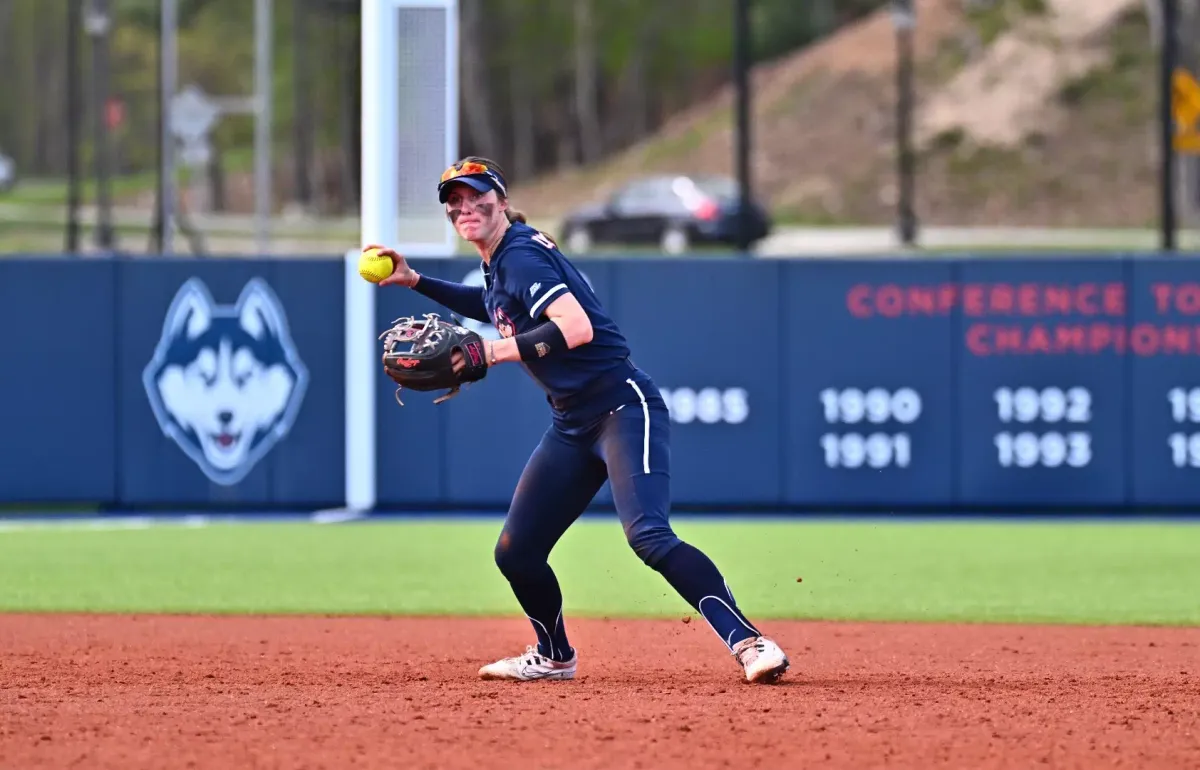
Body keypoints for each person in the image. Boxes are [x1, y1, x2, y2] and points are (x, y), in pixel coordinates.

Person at [365, 156, 790, 684]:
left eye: (477, 197)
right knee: (517, 552)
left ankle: (750, 642)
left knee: (649, 536)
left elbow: (576, 328)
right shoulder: (503, 259)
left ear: (500, 200)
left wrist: (489, 354)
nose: (466, 207)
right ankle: (553, 656)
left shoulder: (519, 256)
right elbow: (492, 304)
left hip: (621, 405)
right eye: (456, 201)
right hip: (571, 424)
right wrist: (415, 280)